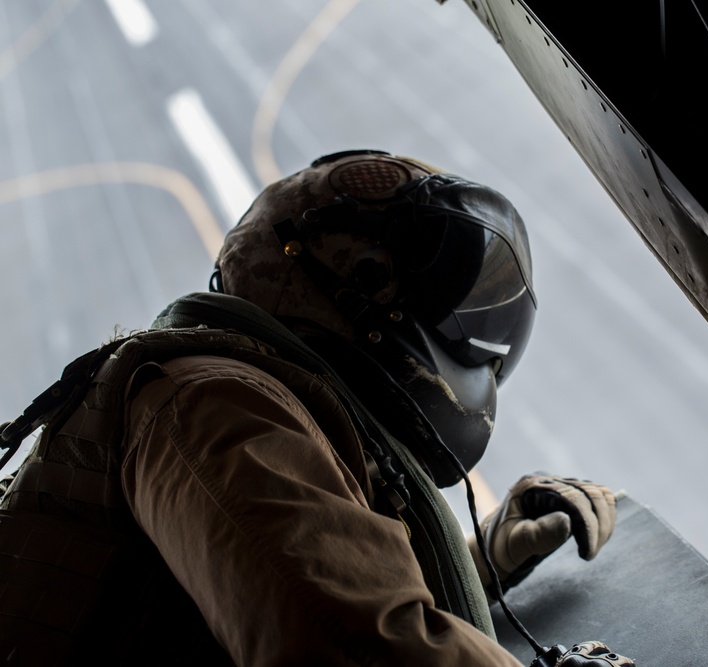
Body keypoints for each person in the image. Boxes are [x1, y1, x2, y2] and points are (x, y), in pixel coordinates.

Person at [0, 150, 635, 665]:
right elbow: (346, 642)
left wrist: (483, 561)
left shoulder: (247, 395)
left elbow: (308, 578)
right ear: (360, 283)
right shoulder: (212, 404)